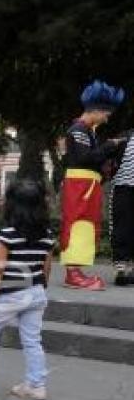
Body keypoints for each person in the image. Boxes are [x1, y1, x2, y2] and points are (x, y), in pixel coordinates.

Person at [0, 179, 54, 400]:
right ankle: (37, 386)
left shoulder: (5, 235)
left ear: (11, 205)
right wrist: (41, 289)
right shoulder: (47, 235)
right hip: (36, 292)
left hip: (8, 294)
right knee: (32, 340)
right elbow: (46, 268)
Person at [60, 80, 127, 290]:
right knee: (78, 224)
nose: (107, 119)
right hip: (80, 187)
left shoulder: (87, 131)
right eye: (106, 114)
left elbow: (91, 159)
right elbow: (84, 158)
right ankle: (73, 274)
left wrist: (108, 161)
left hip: (86, 186)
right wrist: (110, 146)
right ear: (97, 110)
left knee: (85, 226)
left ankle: (76, 271)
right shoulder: (79, 130)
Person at [110, 134, 134, 286]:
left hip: (123, 188)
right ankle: (121, 269)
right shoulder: (125, 138)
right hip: (123, 186)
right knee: (121, 227)